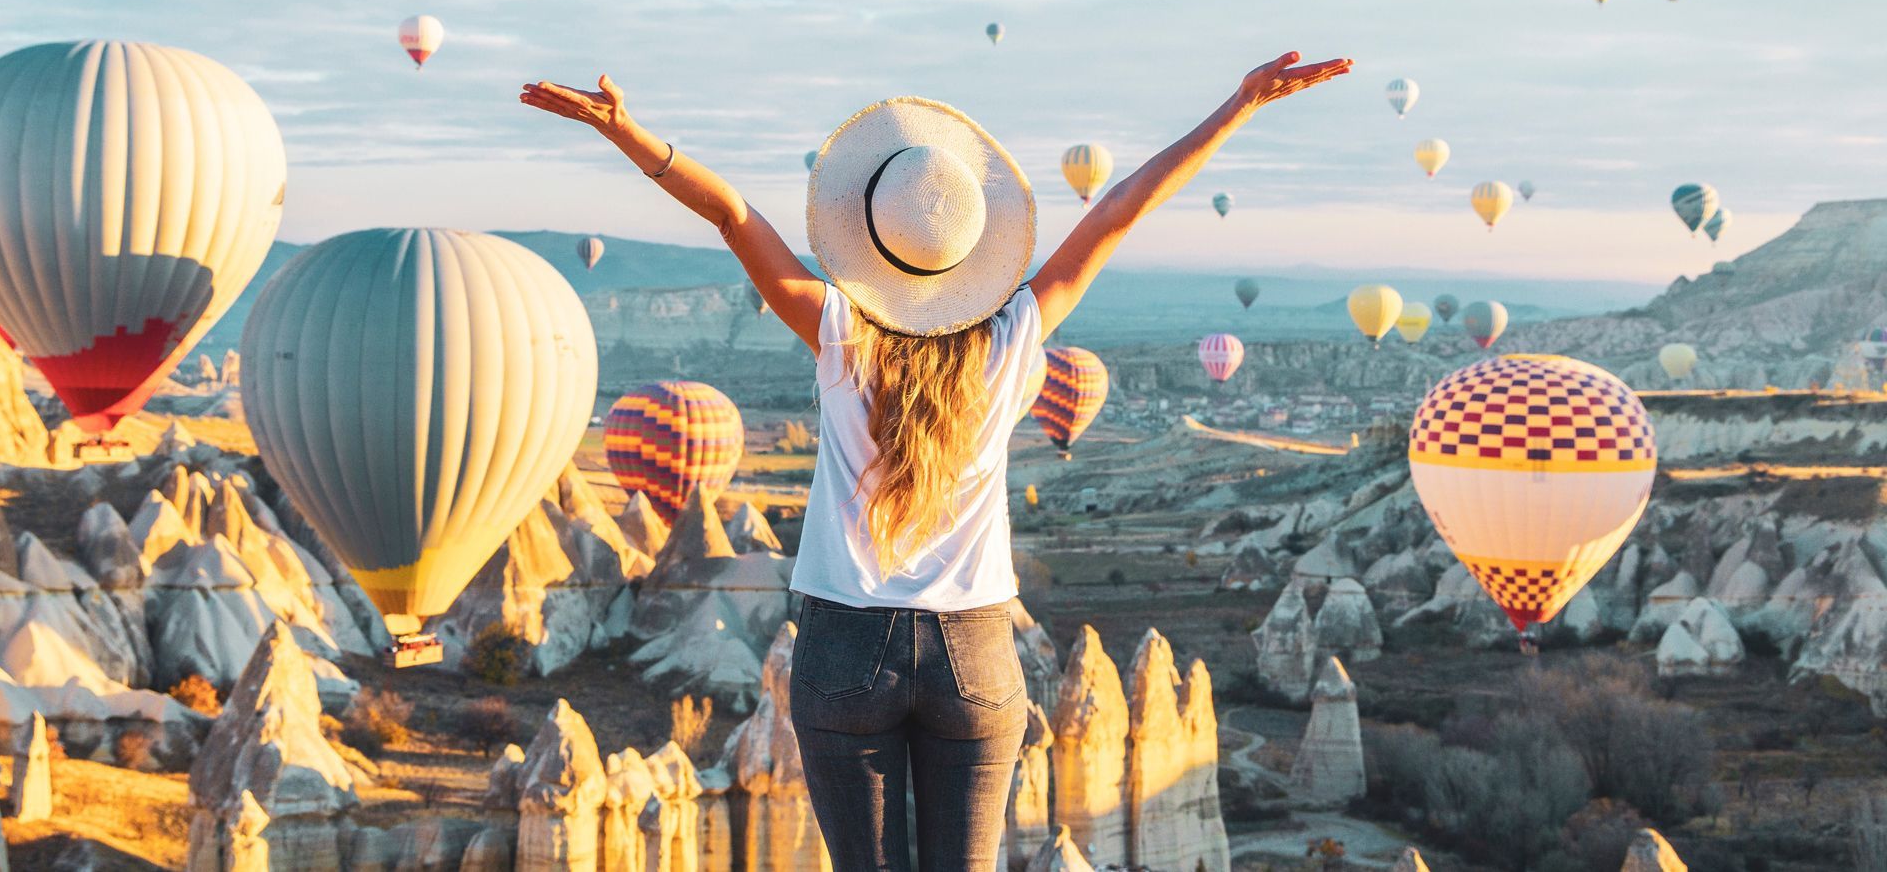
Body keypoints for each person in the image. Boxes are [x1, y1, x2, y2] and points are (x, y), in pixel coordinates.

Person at [519, 50, 1351, 871]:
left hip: (845, 644)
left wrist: (626, 131)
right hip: (977, 649)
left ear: (869, 240)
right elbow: (1119, 212)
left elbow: (734, 215)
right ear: (970, 254)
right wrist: (1236, 108)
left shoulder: (842, 333)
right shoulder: (1013, 336)